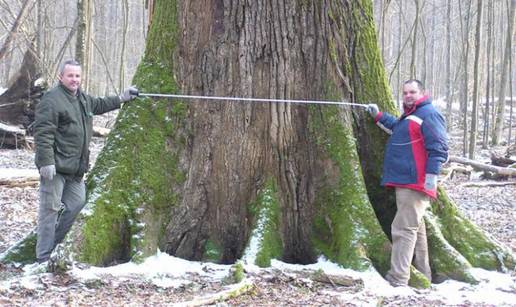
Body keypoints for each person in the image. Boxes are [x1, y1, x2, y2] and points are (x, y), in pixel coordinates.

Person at [33, 60, 138, 263]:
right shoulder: (52, 99)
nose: (74, 80)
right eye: (70, 76)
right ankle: (43, 257)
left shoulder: (81, 98)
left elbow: (99, 104)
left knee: (77, 205)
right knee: (49, 210)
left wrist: (121, 98)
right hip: (55, 167)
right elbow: (43, 133)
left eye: (77, 76)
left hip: (76, 169)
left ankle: (57, 245)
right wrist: (46, 162)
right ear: (60, 77)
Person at [367, 79, 448, 286]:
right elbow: (397, 128)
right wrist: (378, 116)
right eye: (405, 93)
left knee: (403, 229)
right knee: (415, 228)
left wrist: (431, 177)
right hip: (405, 181)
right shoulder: (411, 116)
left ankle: (398, 279)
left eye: (412, 92)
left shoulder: (429, 114)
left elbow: (438, 147)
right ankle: (423, 275)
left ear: (423, 93)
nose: (408, 95)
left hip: (415, 182)